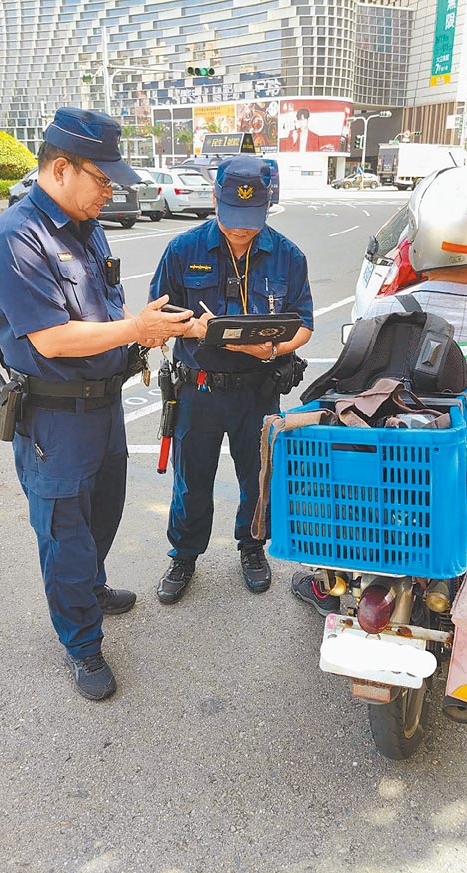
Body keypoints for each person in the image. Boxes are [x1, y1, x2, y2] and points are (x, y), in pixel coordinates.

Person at [0, 107, 196, 700]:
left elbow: (102, 311)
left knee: (104, 514)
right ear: (60, 167)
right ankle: (81, 643)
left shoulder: (87, 224)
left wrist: (144, 331)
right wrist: (136, 331)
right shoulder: (16, 236)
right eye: (103, 179)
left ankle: (91, 587)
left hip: (104, 409)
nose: (111, 190)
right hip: (54, 419)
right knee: (65, 535)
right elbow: (51, 338)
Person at [291, 165, 467, 670]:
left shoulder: (381, 310)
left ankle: (327, 580)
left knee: (342, 509)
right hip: (457, 472)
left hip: (379, 464)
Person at [149, 155, 313, 604]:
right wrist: (193, 328)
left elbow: (304, 323)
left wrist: (276, 348)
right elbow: (159, 312)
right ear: (216, 201)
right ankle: (184, 555)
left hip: (257, 390)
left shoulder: (287, 255)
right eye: (233, 218)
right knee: (192, 479)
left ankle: (251, 546)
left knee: (257, 477)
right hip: (198, 387)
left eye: (252, 219)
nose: (242, 229)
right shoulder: (183, 250)